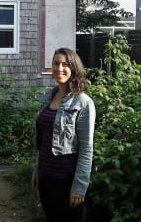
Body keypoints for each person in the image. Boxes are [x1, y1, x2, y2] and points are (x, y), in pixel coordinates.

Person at [31, 47, 96, 222]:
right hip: (46, 177)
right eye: (56, 64)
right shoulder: (48, 98)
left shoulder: (83, 103)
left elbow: (86, 148)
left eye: (65, 64)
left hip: (66, 180)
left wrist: (79, 187)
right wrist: (37, 171)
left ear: (74, 68)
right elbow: (42, 141)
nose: (59, 68)